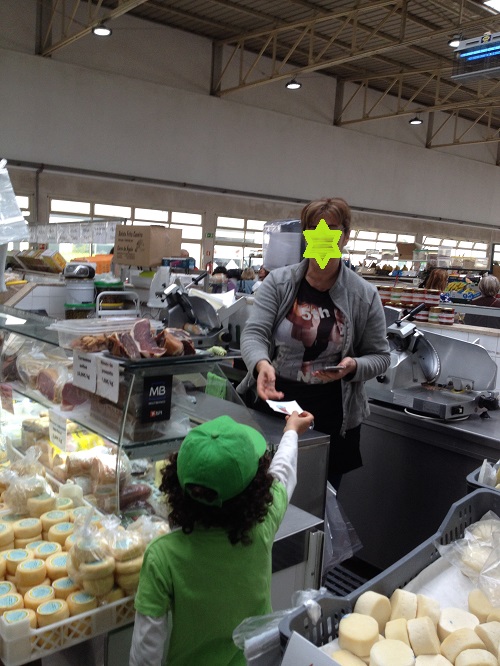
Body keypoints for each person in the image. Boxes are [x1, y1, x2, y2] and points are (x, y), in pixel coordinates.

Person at [129, 410, 314, 666]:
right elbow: (283, 472)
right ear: (255, 488)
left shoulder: (162, 556)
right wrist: (291, 430)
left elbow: (145, 653)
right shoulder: (261, 527)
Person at [237, 197, 390, 491]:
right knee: (261, 494)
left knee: (318, 499)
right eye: (314, 229)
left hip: (332, 415)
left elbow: (381, 356)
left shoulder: (363, 295)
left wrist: (353, 366)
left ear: (345, 236)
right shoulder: (279, 283)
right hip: (275, 404)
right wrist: (261, 364)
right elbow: (254, 333)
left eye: (331, 229)